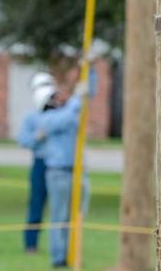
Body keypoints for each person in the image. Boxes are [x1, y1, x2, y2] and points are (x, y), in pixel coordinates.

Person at [37, 70, 96, 269]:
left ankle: (74, 254)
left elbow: (86, 102)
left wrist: (90, 73)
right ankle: (58, 257)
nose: (60, 97)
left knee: (79, 215)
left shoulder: (71, 113)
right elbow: (71, 112)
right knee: (60, 217)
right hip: (59, 173)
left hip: (79, 171)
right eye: (55, 96)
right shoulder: (49, 119)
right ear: (48, 102)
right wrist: (78, 97)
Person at [15, 72, 59, 254]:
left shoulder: (60, 114)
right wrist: (37, 137)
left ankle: (59, 248)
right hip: (40, 164)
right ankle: (30, 244)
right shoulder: (31, 117)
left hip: (59, 165)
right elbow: (23, 140)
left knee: (60, 208)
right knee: (36, 205)